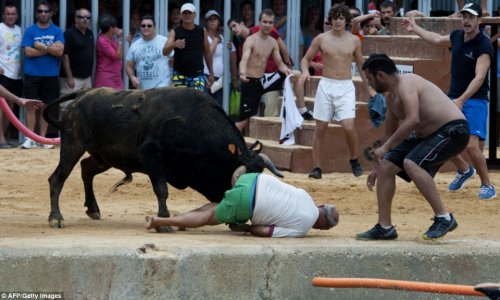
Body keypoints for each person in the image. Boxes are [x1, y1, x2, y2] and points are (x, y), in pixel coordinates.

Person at [356, 54, 469, 240]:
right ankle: (385, 227)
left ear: (380, 75)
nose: (369, 84)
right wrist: (379, 165)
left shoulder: (406, 83)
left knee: (412, 163)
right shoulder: (390, 99)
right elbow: (388, 136)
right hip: (427, 136)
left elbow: (413, 118)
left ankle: (444, 217)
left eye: (369, 79)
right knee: (386, 166)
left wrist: (385, 149)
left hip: (454, 130)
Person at [403, 3, 496, 200]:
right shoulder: (456, 36)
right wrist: (415, 28)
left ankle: (487, 184)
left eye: (471, 17)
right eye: (464, 17)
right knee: (439, 136)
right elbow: (436, 39)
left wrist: (462, 100)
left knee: (471, 146)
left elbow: (479, 77)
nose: (466, 21)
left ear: (480, 20)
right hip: (453, 97)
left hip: (475, 100)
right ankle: (463, 169)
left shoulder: (484, 44)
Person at [145, 169, 339, 237]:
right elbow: (264, 231)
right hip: (250, 202)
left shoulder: (306, 196)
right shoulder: (302, 229)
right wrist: (245, 228)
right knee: (210, 217)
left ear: (321, 206)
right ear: (321, 228)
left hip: (253, 179)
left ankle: (181, 219)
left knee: (219, 206)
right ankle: (159, 221)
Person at [299, 4, 373, 179]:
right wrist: (304, 71)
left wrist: (369, 88)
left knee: (348, 126)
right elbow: (305, 59)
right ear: (330, 20)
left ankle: (354, 159)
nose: (338, 21)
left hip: (346, 86)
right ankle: (317, 167)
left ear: (346, 20)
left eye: (341, 18)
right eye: (335, 18)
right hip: (326, 84)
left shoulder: (354, 40)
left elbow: (362, 66)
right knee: (321, 127)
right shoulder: (321, 38)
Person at [236, 9, 293, 132]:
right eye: (265, 22)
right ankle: (228, 147)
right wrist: (242, 73)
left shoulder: (273, 42)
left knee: (296, 74)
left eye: (270, 22)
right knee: (242, 122)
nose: (267, 25)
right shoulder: (251, 40)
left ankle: (302, 111)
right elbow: (243, 60)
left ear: (273, 24)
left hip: (263, 81)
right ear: (259, 23)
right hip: (249, 82)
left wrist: (287, 70)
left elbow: (280, 64)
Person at [20, 0, 64, 149]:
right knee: (31, 106)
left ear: (51, 13)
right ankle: (30, 138)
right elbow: (28, 52)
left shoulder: (57, 31)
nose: (43, 14)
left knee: (47, 107)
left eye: (46, 11)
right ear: (36, 13)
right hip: (32, 74)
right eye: (40, 11)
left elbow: (60, 52)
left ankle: (43, 139)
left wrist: (41, 46)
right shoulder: (30, 30)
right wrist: (50, 49)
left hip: (50, 75)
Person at [163, 3, 214, 93]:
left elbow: (207, 52)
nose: (187, 15)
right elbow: (164, 52)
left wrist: (211, 73)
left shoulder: (202, 30)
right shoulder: (174, 31)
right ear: (181, 15)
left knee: (198, 102)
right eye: (185, 13)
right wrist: (173, 44)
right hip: (179, 74)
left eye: (189, 13)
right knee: (180, 103)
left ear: (194, 15)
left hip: (197, 75)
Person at [59, 8, 94, 115]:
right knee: (67, 108)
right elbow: (65, 57)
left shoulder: (90, 33)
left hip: (86, 78)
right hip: (71, 79)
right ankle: (65, 132)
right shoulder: (69, 34)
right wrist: (70, 77)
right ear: (75, 19)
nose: (85, 19)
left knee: (85, 108)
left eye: (88, 17)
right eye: (81, 17)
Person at [126, 15, 171, 90]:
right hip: (143, 91)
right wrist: (132, 77)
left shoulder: (165, 41)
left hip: (162, 88)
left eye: (149, 26)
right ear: (140, 27)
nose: (146, 28)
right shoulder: (134, 45)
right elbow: (129, 66)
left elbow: (175, 61)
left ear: (154, 27)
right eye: (143, 26)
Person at [0, 4, 23, 148]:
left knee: (10, 108)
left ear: (17, 16)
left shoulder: (19, 30)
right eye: (8, 14)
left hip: (16, 76)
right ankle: (1, 140)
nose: (10, 16)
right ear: (3, 15)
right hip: (3, 73)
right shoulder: (0, 28)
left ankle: (3, 136)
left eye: (13, 14)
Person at [94, 14, 123, 89]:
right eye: (115, 27)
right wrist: (120, 40)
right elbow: (118, 56)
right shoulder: (102, 41)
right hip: (106, 77)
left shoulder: (112, 38)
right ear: (111, 28)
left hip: (116, 76)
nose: (116, 28)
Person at [203, 10, 226, 105]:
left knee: (218, 107)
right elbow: (209, 53)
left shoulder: (223, 37)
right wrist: (216, 41)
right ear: (206, 22)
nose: (213, 21)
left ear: (219, 22)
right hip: (206, 76)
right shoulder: (204, 36)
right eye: (210, 19)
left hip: (220, 79)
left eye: (215, 19)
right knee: (206, 105)